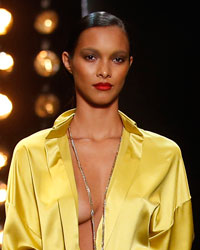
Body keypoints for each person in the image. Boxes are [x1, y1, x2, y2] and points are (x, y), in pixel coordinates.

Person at [2, 11, 194, 250]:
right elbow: (19, 244)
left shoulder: (164, 155)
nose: (104, 70)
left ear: (129, 65)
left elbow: (177, 243)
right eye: (91, 57)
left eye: (117, 59)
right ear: (68, 61)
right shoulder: (32, 154)